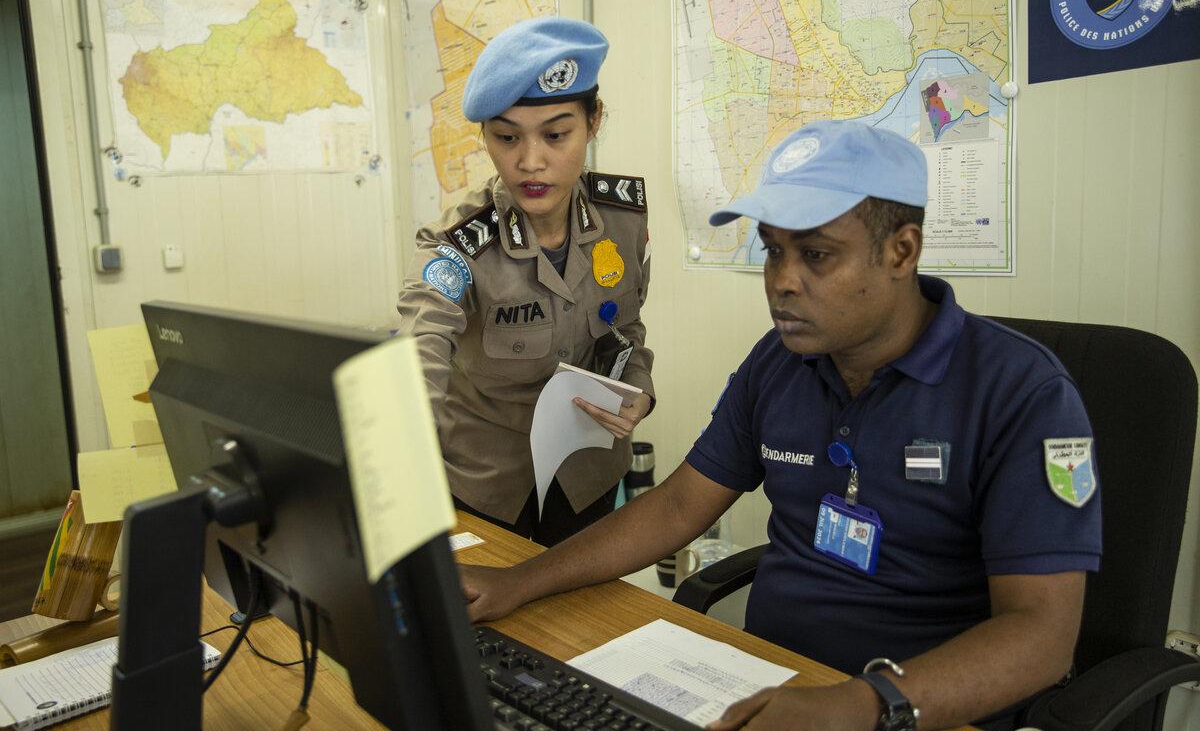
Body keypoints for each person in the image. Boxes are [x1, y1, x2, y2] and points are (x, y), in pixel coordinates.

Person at [458, 120, 1102, 731]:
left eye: (816, 255)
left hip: (910, 709)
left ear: (901, 251)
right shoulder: (782, 360)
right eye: (773, 251)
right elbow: (679, 505)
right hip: (766, 686)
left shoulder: (1022, 393)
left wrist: (859, 705)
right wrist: (520, 582)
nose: (781, 283)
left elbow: (1042, 637)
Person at [396, 17, 654, 547]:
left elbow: (625, 330)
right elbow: (419, 345)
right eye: (507, 137)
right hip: (487, 486)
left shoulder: (622, 221)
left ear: (594, 121)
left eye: (556, 135)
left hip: (587, 474)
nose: (530, 162)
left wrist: (639, 392)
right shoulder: (460, 243)